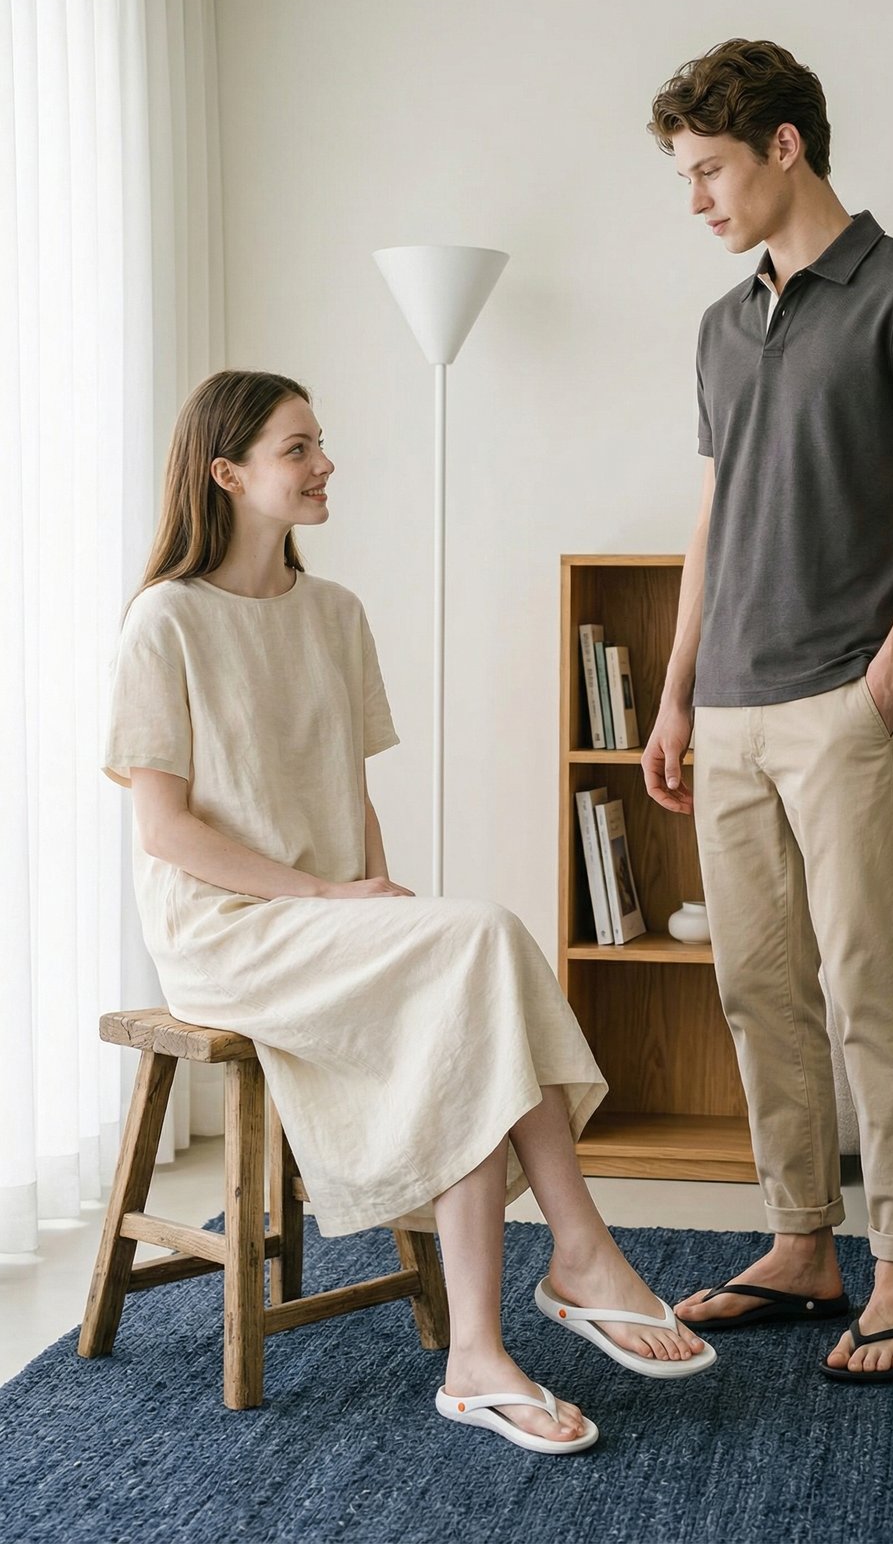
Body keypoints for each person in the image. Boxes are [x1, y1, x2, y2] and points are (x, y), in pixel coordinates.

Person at [101, 368, 714, 1455]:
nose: (325, 462)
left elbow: (351, 793)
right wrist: (341, 899)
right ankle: (576, 1255)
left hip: (332, 918)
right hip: (227, 931)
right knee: (476, 945)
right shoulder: (166, 620)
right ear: (227, 473)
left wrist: (384, 906)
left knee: (463, 973)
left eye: (319, 442)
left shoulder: (336, 613)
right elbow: (167, 832)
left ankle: (482, 1355)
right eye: (299, 448)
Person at [641, 40, 893, 1383]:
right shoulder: (722, 324)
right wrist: (675, 695)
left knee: (872, 993)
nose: (696, 200)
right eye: (684, 174)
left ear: (785, 145)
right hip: (727, 707)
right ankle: (800, 1245)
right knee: (757, 994)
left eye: (709, 169)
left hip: (845, 706)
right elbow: (712, 519)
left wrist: (885, 683)